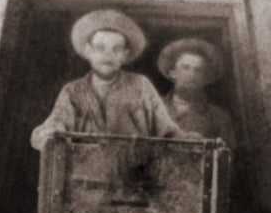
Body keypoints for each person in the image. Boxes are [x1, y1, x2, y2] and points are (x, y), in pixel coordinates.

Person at [31, 9, 189, 150]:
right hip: (82, 178)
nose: (108, 55)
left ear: (125, 54)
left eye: (117, 49)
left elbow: (167, 132)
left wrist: (188, 139)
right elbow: (53, 128)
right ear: (88, 50)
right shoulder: (73, 91)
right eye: (100, 48)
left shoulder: (140, 85)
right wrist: (44, 134)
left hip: (132, 178)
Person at [157, 37, 237, 143]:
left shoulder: (218, 116)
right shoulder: (154, 108)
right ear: (172, 73)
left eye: (198, 70)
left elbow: (228, 155)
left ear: (205, 77)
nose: (191, 75)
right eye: (185, 68)